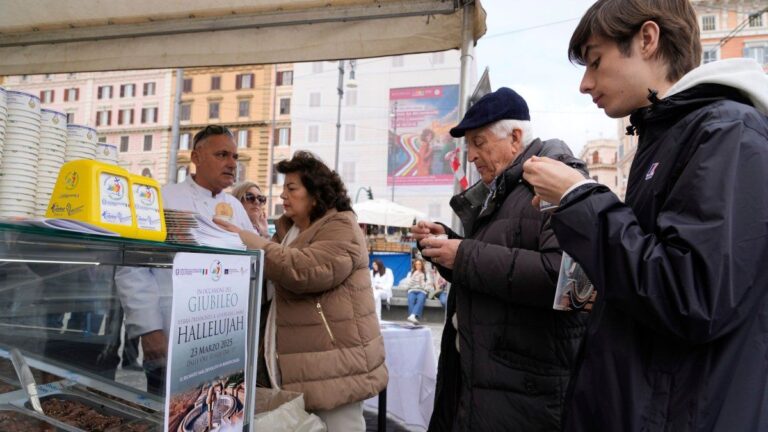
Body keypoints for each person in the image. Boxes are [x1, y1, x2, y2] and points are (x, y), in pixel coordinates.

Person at [521, 1, 768, 430]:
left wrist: (580, 198)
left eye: (596, 62)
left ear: (647, 39)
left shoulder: (727, 131)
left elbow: (692, 295)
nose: (585, 83)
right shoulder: (670, 134)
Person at [412, 87, 589, 431]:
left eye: (479, 143)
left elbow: (570, 285)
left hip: (526, 393)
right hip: (491, 385)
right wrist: (449, 248)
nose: (472, 156)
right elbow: (495, 268)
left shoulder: (556, 180)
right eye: (468, 148)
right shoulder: (506, 190)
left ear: (516, 138)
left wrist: (463, 255)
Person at [216, 151, 387, 432]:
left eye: (292, 189)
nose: (283, 196)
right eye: (283, 189)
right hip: (299, 366)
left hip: (335, 369)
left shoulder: (341, 225)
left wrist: (247, 239)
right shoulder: (289, 231)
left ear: (316, 194)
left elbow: (303, 270)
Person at [115, 125, 254, 395]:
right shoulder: (163, 199)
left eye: (235, 157)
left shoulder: (236, 208)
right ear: (196, 157)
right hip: (172, 336)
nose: (231, 163)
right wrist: (149, 328)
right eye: (222, 155)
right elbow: (132, 266)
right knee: (172, 415)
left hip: (225, 342)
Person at [402, 259, 429, 323]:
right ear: (414, 265)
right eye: (416, 264)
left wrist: (421, 282)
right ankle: (413, 318)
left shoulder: (425, 274)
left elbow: (427, 287)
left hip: (422, 291)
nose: (418, 266)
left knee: (420, 299)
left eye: (419, 264)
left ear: (422, 265)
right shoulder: (410, 273)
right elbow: (407, 284)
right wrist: (413, 276)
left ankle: (412, 316)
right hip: (412, 290)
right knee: (411, 299)